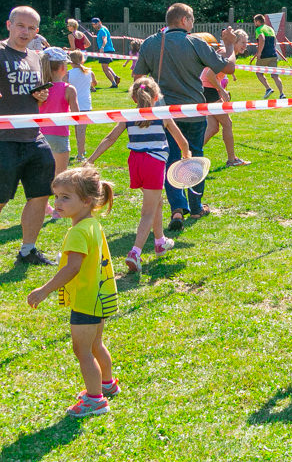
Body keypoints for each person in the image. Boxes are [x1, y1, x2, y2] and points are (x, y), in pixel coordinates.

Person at [132, 2, 238, 231]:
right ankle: (196, 207)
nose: (193, 23)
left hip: (164, 113)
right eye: (192, 19)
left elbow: (138, 77)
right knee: (195, 158)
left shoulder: (150, 43)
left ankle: (177, 208)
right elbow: (227, 68)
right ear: (184, 21)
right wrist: (229, 45)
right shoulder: (194, 42)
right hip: (193, 112)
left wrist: (153, 97)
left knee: (170, 159)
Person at [26, 168, 118, 418]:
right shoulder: (91, 224)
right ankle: (107, 384)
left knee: (83, 351)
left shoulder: (78, 231)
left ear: (87, 201)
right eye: (56, 196)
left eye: (65, 197)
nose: (57, 203)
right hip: (97, 297)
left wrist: (44, 290)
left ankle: (95, 399)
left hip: (86, 301)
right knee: (96, 344)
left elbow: (73, 268)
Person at [87, 78, 190, 272]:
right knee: (148, 211)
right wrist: (187, 157)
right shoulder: (163, 114)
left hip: (135, 163)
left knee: (157, 201)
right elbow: (182, 142)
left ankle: (160, 242)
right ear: (156, 97)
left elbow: (110, 138)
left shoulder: (128, 116)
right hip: (154, 163)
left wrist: (91, 159)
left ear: (134, 98)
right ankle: (135, 252)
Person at [0, 6, 56, 265]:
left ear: (37, 32)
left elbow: (38, 97)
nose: (25, 32)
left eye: (31, 28)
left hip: (33, 135)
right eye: (20, 25)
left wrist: (40, 96)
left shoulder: (37, 57)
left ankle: (28, 250)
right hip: (3, 138)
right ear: (9, 25)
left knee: (40, 193)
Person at [38, 48, 80, 217]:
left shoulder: (39, 89)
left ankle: (43, 205)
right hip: (60, 136)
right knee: (60, 176)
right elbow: (79, 118)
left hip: (39, 135)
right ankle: (57, 210)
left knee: (42, 174)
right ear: (63, 68)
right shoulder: (69, 89)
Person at [201, 29, 251, 167]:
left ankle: (189, 154)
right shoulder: (224, 52)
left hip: (206, 90)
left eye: (246, 43)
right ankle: (232, 159)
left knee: (212, 128)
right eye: (242, 42)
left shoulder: (228, 53)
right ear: (234, 41)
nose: (245, 46)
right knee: (227, 123)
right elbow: (209, 75)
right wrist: (221, 90)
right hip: (209, 90)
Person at [67, 50, 96, 162]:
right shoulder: (89, 72)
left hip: (73, 103)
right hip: (85, 104)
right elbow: (94, 83)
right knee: (81, 130)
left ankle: (81, 153)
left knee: (78, 129)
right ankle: (81, 152)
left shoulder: (69, 73)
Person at [253, 14, 285, 99]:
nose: (254, 23)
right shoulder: (270, 29)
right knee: (275, 76)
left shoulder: (259, 29)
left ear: (258, 21)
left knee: (259, 73)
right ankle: (282, 94)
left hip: (264, 55)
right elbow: (274, 42)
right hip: (273, 54)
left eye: (254, 21)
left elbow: (262, 39)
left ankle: (268, 88)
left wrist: (259, 53)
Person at [91, 18, 121, 88]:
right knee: (106, 66)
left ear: (100, 22)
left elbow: (105, 39)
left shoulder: (102, 30)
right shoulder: (104, 28)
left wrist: (102, 47)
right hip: (108, 50)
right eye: (93, 24)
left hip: (106, 51)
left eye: (95, 24)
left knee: (104, 68)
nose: (94, 26)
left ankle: (114, 83)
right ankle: (115, 76)